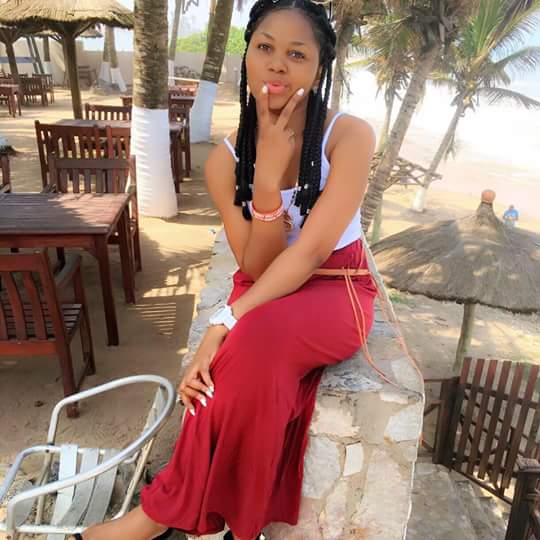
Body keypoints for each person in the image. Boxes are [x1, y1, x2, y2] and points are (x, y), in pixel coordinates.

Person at [74, 0, 376, 538]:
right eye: (265, 48)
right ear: (247, 56)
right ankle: (223, 518)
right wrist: (266, 181)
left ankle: (156, 517)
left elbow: (310, 253)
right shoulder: (224, 161)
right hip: (265, 283)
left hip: (337, 286)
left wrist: (224, 321)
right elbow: (257, 265)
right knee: (241, 361)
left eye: (297, 54)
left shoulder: (349, 136)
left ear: (318, 69)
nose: (277, 64)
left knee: (248, 340)